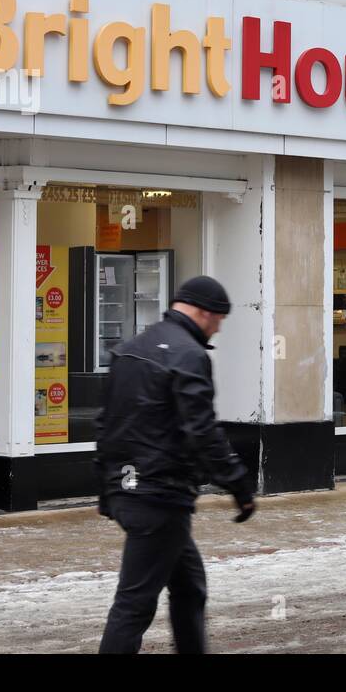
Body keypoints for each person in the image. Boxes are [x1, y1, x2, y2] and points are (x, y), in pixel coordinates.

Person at [96, 275, 256, 654]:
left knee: (189, 585)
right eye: (218, 319)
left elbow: (107, 424)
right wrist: (238, 484)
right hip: (160, 497)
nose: (218, 327)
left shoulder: (130, 349)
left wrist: (109, 488)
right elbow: (201, 429)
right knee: (134, 604)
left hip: (133, 489)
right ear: (203, 312)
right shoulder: (188, 354)